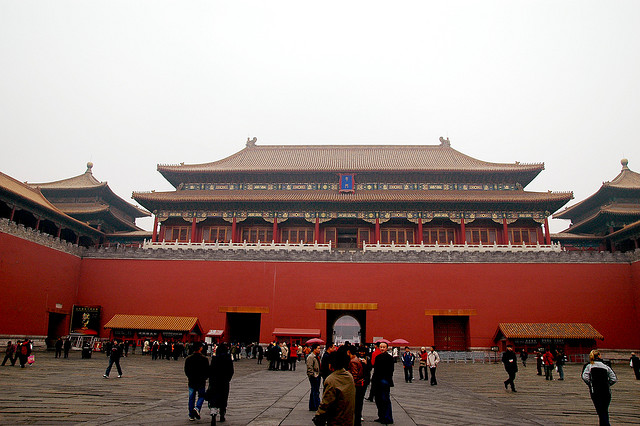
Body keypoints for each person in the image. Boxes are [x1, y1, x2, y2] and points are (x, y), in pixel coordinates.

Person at [313, 345, 356, 426]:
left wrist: (319, 415)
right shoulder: (349, 376)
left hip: (336, 420)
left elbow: (326, 402)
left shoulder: (331, 380)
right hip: (348, 419)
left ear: (331, 365)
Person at [582, 349, 617, 426]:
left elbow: (585, 377)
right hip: (606, 391)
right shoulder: (606, 366)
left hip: (595, 391)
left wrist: (591, 383)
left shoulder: (589, 366)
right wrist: (607, 384)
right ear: (599, 356)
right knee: (604, 410)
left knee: (600, 410)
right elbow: (613, 379)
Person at [208, 343, 234, 425]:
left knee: (214, 399)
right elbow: (231, 371)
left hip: (215, 382)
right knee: (223, 398)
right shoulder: (228, 359)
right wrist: (227, 379)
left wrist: (211, 380)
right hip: (224, 382)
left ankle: (213, 415)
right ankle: (222, 414)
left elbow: (210, 371)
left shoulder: (214, 359)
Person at [184, 342, 209, 421]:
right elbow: (207, 370)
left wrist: (189, 377)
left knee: (191, 398)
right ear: (200, 348)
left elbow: (186, 370)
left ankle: (191, 415)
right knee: (201, 396)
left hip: (192, 381)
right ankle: (197, 408)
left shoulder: (188, 359)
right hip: (201, 381)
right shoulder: (204, 359)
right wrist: (205, 378)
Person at [371, 342, 394, 424]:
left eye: (384, 347)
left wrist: (387, 379)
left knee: (385, 399)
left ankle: (388, 418)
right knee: (378, 399)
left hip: (384, 381)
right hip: (377, 381)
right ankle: (381, 416)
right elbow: (375, 370)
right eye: (381, 347)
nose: (382, 348)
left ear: (387, 348)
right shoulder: (378, 357)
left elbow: (391, 370)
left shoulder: (390, 358)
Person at [347, 345, 366, 426]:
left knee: (356, 405)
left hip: (356, 385)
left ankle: (356, 422)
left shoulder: (353, 361)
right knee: (358, 404)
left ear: (349, 352)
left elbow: (354, 375)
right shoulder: (357, 359)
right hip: (360, 383)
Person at [306, 344, 322, 412]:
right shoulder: (311, 357)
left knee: (314, 390)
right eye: (318, 348)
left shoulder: (316, 356)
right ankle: (316, 405)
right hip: (314, 376)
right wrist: (313, 375)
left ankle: (312, 406)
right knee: (315, 391)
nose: (319, 350)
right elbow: (309, 367)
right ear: (314, 349)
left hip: (317, 374)